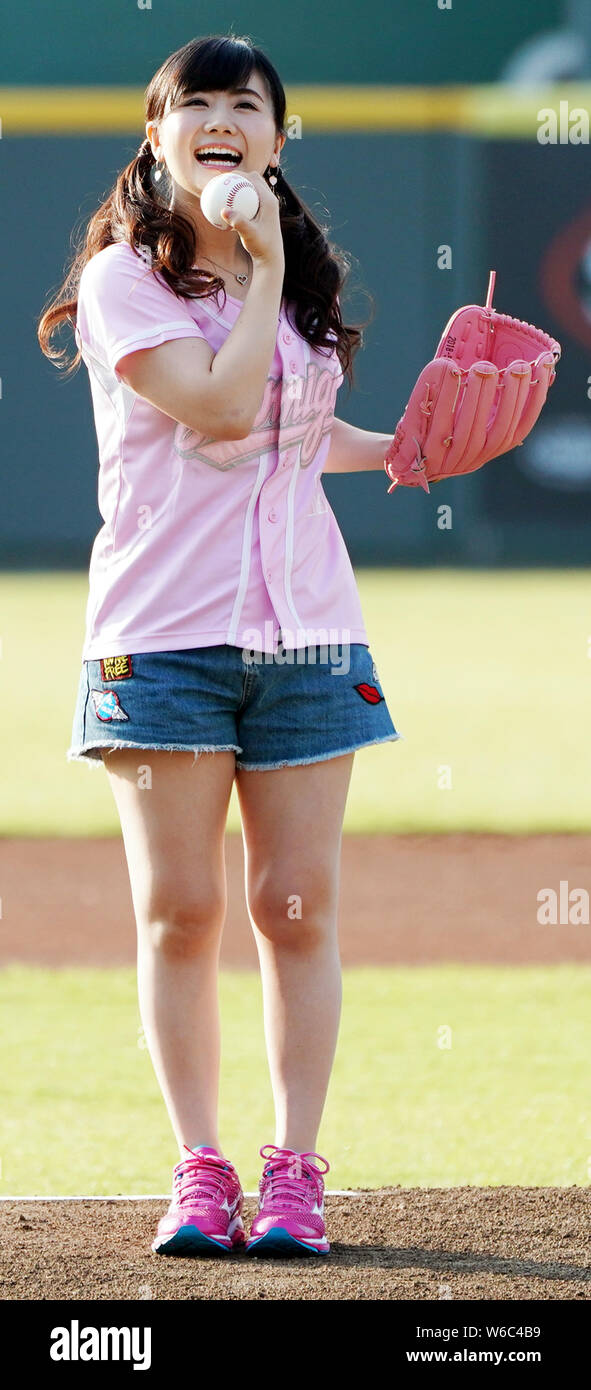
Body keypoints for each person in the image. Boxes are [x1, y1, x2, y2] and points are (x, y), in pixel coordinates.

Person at [38, 32, 402, 1259]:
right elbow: (217, 402)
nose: (219, 117)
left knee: (294, 910)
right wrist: (262, 268)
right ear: (159, 138)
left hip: (305, 634)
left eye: (244, 103)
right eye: (193, 102)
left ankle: (295, 1170)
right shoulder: (121, 283)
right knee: (182, 912)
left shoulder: (278, 283)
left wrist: (407, 449)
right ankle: (202, 1171)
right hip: (162, 639)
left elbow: (290, 428)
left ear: (277, 139)